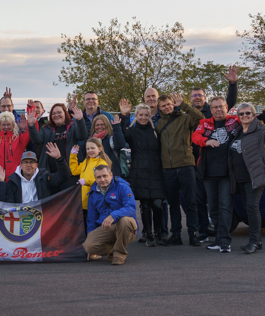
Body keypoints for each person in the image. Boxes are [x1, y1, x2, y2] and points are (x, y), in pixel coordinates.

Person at [189, 65, 239, 243]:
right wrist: (206, 141)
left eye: (221, 107)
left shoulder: (234, 121)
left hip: (227, 173)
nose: (218, 110)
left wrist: (232, 84)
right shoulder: (205, 123)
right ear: (211, 109)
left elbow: (251, 117)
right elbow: (195, 136)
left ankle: (224, 239)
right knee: (213, 208)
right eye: (215, 107)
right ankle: (218, 238)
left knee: (225, 206)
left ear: (226, 108)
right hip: (208, 173)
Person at [230, 102, 265, 254]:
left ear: (253, 115)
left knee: (252, 207)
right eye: (242, 114)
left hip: (255, 177)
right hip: (240, 179)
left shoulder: (260, 130)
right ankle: (256, 240)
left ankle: (254, 241)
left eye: (248, 113)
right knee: (248, 207)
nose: (245, 116)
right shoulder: (237, 132)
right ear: (238, 116)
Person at [155, 92, 204, 246]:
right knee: (173, 204)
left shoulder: (185, 118)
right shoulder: (159, 124)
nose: (167, 107)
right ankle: (176, 234)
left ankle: (193, 234)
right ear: (159, 108)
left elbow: (201, 119)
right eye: (163, 105)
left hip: (185, 165)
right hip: (168, 168)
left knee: (191, 202)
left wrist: (183, 104)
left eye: (169, 104)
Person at [121, 101, 167, 246]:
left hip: (156, 170)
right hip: (139, 170)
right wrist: (124, 115)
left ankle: (159, 232)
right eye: (140, 115)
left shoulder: (155, 131)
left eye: (146, 115)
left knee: (158, 204)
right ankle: (149, 235)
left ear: (149, 116)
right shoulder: (132, 131)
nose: (143, 117)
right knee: (145, 204)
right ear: (136, 115)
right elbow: (122, 133)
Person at [82, 165, 138, 266]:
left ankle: (119, 254)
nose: (102, 179)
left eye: (105, 176)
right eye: (98, 177)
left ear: (111, 175)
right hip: (107, 228)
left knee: (124, 221)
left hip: (125, 226)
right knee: (88, 246)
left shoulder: (122, 186)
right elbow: (91, 219)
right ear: (95, 178)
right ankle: (114, 249)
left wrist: (113, 216)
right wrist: (91, 236)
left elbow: (131, 208)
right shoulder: (93, 194)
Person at [0, 146, 71, 205]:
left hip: (42, 217)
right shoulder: (12, 182)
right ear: (20, 166)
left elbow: (63, 177)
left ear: (36, 165)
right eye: (25, 162)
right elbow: (10, 204)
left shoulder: (44, 177)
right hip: (21, 217)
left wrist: (59, 159)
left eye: (31, 162)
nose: (28, 165)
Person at [28, 100, 86, 173]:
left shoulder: (72, 126)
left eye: (59, 112)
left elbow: (82, 136)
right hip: (51, 172)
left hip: (71, 171)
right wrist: (31, 125)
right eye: (53, 113)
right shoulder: (46, 128)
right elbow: (37, 140)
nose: (56, 115)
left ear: (65, 113)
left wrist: (80, 120)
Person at [69, 139, 111, 212]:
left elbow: (102, 181)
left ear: (100, 149)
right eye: (88, 149)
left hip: (96, 199)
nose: (90, 150)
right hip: (84, 199)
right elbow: (74, 171)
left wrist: (86, 182)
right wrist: (73, 156)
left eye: (92, 148)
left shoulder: (102, 163)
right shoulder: (86, 161)